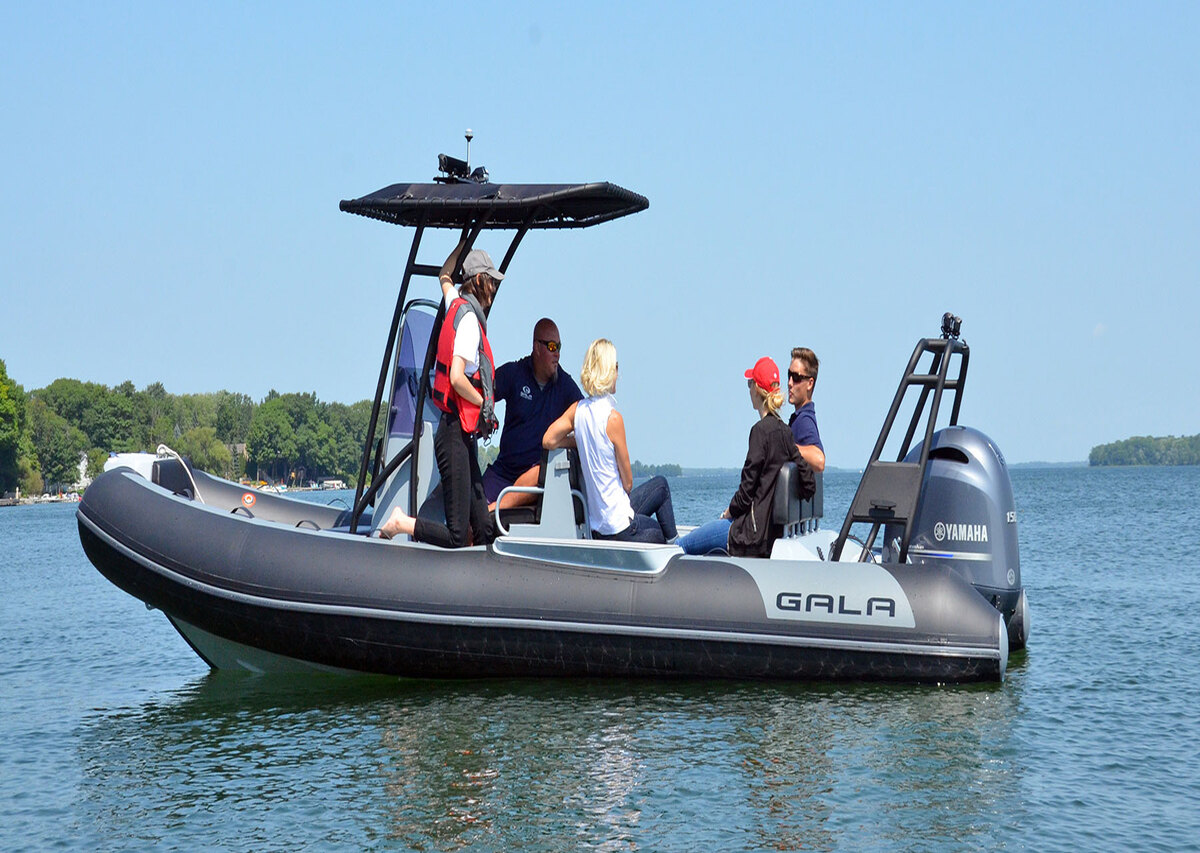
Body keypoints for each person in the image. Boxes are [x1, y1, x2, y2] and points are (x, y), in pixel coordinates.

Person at [379, 239, 501, 547]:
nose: (494, 288)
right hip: (453, 434)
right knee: (458, 535)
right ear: (479, 281)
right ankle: (401, 522)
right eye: (491, 281)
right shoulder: (469, 321)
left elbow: (445, 275)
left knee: (484, 527)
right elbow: (457, 378)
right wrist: (485, 404)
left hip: (461, 435)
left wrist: (463, 244)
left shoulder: (455, 302)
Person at [542, 338, 677, 543]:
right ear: (608, 371)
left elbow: (548, 440)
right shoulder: (613, 419)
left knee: (660, 484)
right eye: (616, 367)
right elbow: (628, 483)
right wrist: (581, 442)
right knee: (660, 528)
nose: (618, 374)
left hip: (598, 527)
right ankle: (677, 547)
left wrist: (580, 441)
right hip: (619, 529)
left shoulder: (577, 411)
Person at [679, 357, 815, 557]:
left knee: (681, 545)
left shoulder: (760, 432)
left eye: (750, 384)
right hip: (771, 535)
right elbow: (809, 484)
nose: (749, 389)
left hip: (750, 535)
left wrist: (727, 513)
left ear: (757, 389)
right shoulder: (785, 432)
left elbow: (745, 493)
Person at [482, 318, 584, 510]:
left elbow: (588, 422)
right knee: (471, 515)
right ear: (537, 347)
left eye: (559, 347)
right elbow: (481, 393)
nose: (557, 354)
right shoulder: (514, 374)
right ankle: (486, 512)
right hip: (503, 472)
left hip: (538, 478)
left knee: (539, 473)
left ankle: (495, 508)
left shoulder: (565, 386)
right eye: (552, 347)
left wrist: (564, 442)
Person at [787, 346, 825, 472]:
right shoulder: (798, 418)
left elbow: (819, 460)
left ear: (810, 383)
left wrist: (785, 446)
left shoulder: (804, 420)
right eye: (789, 375)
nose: (790, 383)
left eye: (796, 377)